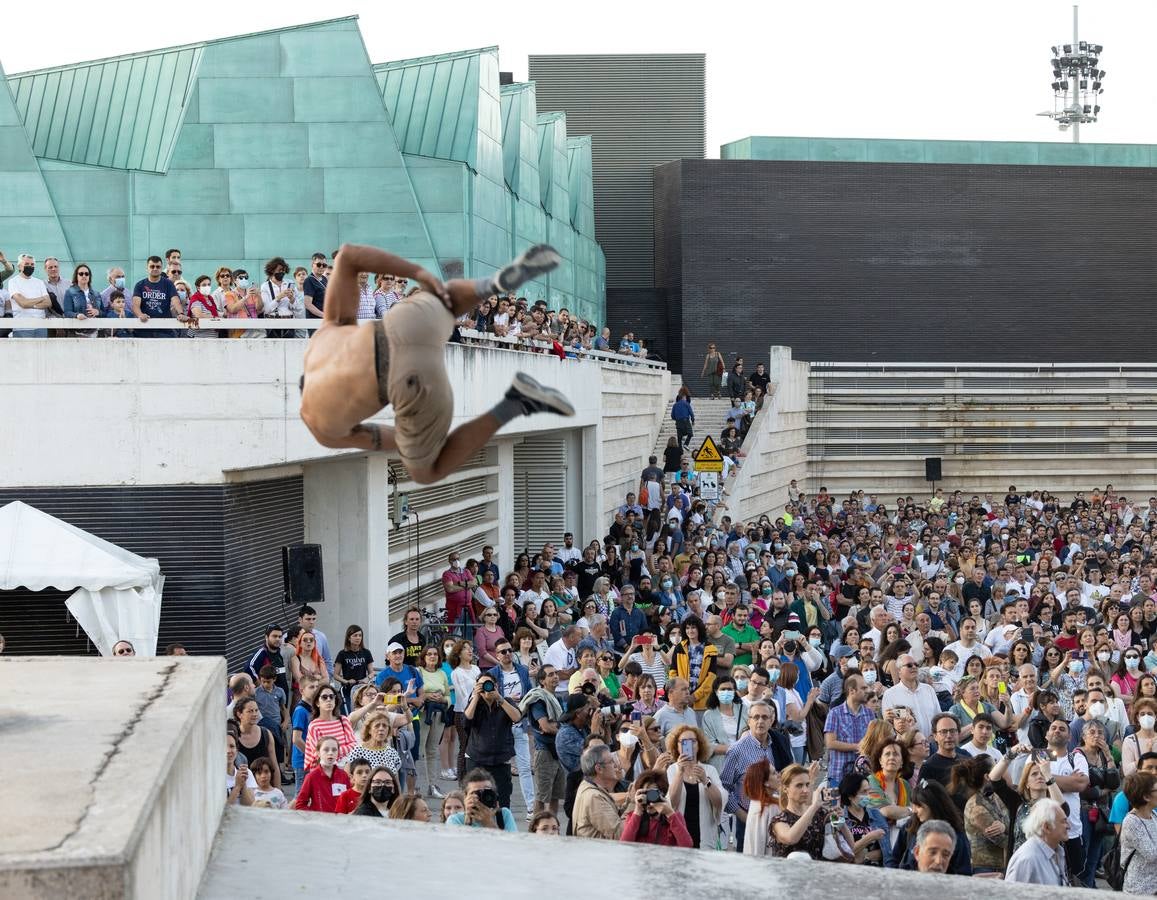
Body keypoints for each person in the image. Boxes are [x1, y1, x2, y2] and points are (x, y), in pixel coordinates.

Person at [299, 243, 574, 485]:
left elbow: (389, 439)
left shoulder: (322, 429)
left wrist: (421, 442)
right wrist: (417, 272)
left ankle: (515, 403)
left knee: (425, 470)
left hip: (405, 381)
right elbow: (348, 255)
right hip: (401, 324)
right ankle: (492, 285)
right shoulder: (325, 335)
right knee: (446, 300)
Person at [720, 700, 792, 850]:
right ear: (749, 721)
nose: (760, 721)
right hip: (748, 816)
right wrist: (743, 815)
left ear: (771, 720)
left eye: (765, 717)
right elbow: (724, 788)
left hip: (777, 814)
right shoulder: (737, 750)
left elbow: (787, 775)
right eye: (756, 717)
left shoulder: (779, 743)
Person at [463, 671, 522, 810]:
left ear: (496, 686)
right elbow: (466, 720)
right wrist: (476, 696)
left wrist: (499, 698)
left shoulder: (505, 701)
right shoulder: (474, 703)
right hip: (476, 760)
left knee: (502, 804)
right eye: (481, 685)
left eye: (488, 684)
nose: (486, 688)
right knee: (475, 803)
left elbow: (517, 717)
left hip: (500, 761)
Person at [664, 724, 725, 850]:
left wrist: (705, 781)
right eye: (684, 742)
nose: (689, 745)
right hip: (679, 836)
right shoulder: (672, 770)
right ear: (677, 746)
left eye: (693, 741)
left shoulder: (709, 770)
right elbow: (671, 804)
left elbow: (720, 802)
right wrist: (680, 773)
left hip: (705, 836)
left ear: (699, 745)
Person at [522, 665, 566, 816]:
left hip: (558, 752)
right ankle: (535, 833)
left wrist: (559, 727)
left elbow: (559, 724)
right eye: (550, 675)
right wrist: (564, 730)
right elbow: (545, 726)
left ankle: (551, 829)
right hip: (544, 753)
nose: (555, 677)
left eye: (556, 673)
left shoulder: (556, 699)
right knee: (541, 798)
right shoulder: (538, 699)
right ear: (541, 680)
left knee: (555, 797)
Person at [823, 673, 875, 788]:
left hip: (863, 777)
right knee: (838, 806)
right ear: (852, 691)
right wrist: (858, 746)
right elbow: (830, 743)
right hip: (839, 775)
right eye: (863, 688)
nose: (867, 691)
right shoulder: (835, 713)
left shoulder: (870, 714)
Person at [1003, 799, 1069, 886]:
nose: (1069, 826)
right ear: (1046, 827)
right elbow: (1012, 895)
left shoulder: (1057, 852)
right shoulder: (1027, 860)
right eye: (1063, 822)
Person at [768, 763, 828, 858]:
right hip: (788, 871)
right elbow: (790, 838)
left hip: (816, 871)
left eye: (807, 785)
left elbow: (849, 846)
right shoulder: (779, 820)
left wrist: (840, 819)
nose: (805, 790)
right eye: (799, 786)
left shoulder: (819, 813)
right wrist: (814, 806)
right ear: (785, 789)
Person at [620, 770, 693, 847]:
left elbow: (687, 845)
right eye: (646, 793)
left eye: (653, 794)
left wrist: (670, 814)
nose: (650, 798)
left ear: (662, 795)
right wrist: (637, 811)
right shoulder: (633, 817)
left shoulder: (675, 817)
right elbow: (624, 845)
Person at [573, 744, 627, 839]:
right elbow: (620, 834)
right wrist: (634, 805)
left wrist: (630, 799)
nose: (616, 765)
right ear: (599, 769)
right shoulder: (594, 797)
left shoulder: (587, 785)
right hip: (598, 852)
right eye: (611, 761)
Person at [1120, 771, 1157, 894]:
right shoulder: (1131, 822)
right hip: (1140, 890)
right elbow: (1152, 854)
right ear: (1146, 797)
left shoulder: (1154, 815)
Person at [293, 736, 350, 813]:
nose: (330, 753)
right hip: (320, 822)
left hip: (341, 821)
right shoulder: (311, 776)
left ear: (338, 752)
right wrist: (313, 817)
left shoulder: (343, 775)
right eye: (326, 750)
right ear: (318, 753)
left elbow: (349, 800)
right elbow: (300, 804)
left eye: (334, 750)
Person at [921, 713, 968, 786]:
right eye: (943, 732)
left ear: (958, 734)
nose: (949, 736)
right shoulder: (928, 767)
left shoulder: (967, 761)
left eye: (952, 731)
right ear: (935, 736)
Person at [225, 733, 255, 807]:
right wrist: (237, 787)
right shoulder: (212, 777)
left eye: (232, 746)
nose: (228, 751)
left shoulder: (246, 772)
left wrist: (243, 784)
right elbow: (222, 811)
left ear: (237, 750)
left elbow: (250, 806)